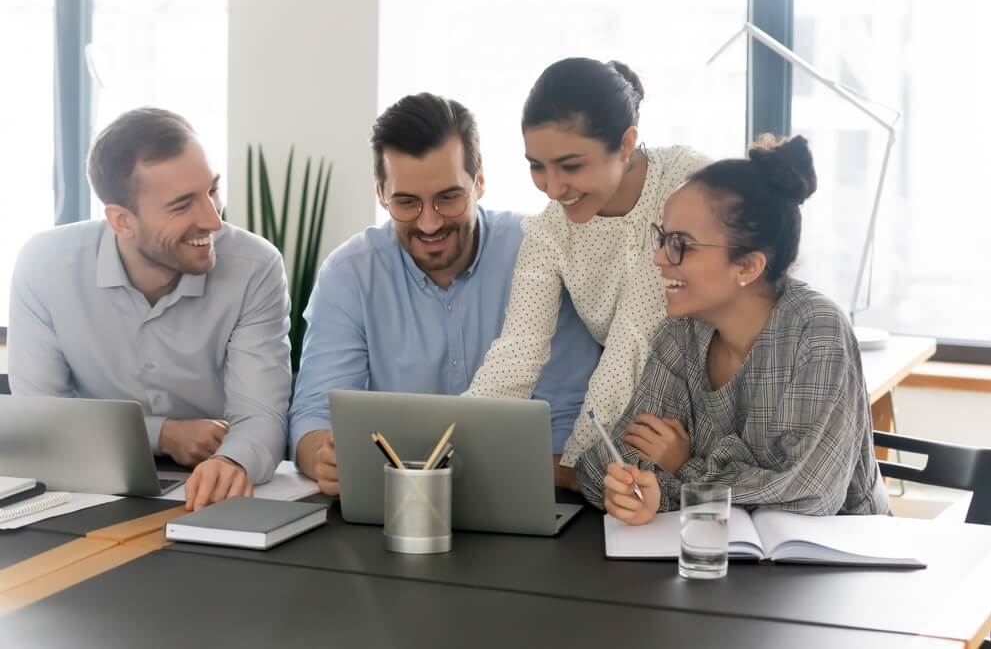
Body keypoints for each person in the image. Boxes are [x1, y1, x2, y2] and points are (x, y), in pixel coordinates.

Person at [289, 93, 601, 495]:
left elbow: (568, 417)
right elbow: (315, 414)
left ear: (480, 182)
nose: (430, 222)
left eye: (448, 197)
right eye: (406, 202)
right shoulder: (349, 275)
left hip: (528, 495)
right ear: (381, 194)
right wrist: (322, 457)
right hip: (394, 504)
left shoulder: (540, 253)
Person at [575, 135, 891, 525]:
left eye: (680, 244)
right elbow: (600, 468)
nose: (658, 258)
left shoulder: (818, 333)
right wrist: (634, 491)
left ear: (748, 267)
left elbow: (806, 497)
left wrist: (685, 468)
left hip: (839, 565)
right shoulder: (680, 334)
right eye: (662, 238)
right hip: (719, 558)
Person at [8, 107, 291, 511]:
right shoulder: (45, 264)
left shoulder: (255, 267)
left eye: (212, 191)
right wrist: (162, 434)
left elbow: (262, 414)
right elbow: (45, 420)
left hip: (208, 491)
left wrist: (233, 459)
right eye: (182, 205)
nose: (212, 220)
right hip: (86, 492)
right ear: (122, 221)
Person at [465, 57, 710, 477]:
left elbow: (632, 343)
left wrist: (577, 468)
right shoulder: (548, 233)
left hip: (717, 403)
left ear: (626, 142)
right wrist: (449, 446)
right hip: (645, 424)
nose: (554, 188)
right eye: (537, 166)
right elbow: (517, 354)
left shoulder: (686, 186)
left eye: (571, 165)